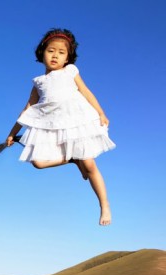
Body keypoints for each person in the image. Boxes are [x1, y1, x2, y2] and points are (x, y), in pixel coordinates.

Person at [6, 28, 116, 226]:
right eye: (51, 51)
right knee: (38, 163)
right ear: (42, 54)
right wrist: (13, 133)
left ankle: (104, 205)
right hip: (52, 125)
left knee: (90, 165)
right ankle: (72, 159)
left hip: (76, 122)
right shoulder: (39, 83)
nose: (55, 55)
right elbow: (28, 109)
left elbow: (86, 92)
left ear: (67, 58)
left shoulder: (70, 72)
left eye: (61, 52)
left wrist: (101, 112)